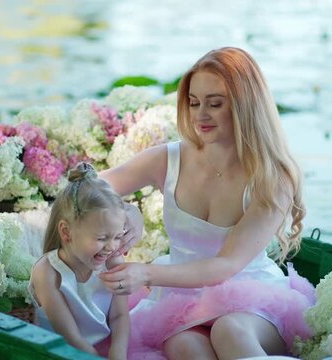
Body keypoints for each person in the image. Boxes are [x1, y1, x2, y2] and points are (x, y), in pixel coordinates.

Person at [98, 47, 315, 359]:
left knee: (231, 331)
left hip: (252, 301)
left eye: (215, 104)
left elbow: (225, 266)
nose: (201, 114)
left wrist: (144, 273)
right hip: (180, 299)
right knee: (185, 346)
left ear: (245, 107)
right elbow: (93, 185)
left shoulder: (271, 178)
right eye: (194, 102)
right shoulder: (169, 159)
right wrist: (125, 210)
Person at [29, 162, 134, 360]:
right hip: (63, 353)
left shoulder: (113, 261)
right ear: (67, 232)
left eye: (117, 236)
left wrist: (118, 353)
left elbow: (120, 316)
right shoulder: (47, 273)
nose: (112, 247)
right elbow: (69, 336)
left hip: (107, 346)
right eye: (102, 238)